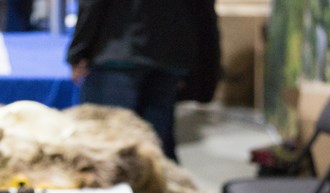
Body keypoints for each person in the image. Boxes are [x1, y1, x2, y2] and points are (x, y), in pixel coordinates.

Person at [66, 0, 218, 162]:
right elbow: (203, 9)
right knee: (154, 152)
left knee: (106, 152)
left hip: (117, 51)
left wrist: (79, 51)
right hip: (169, 53)